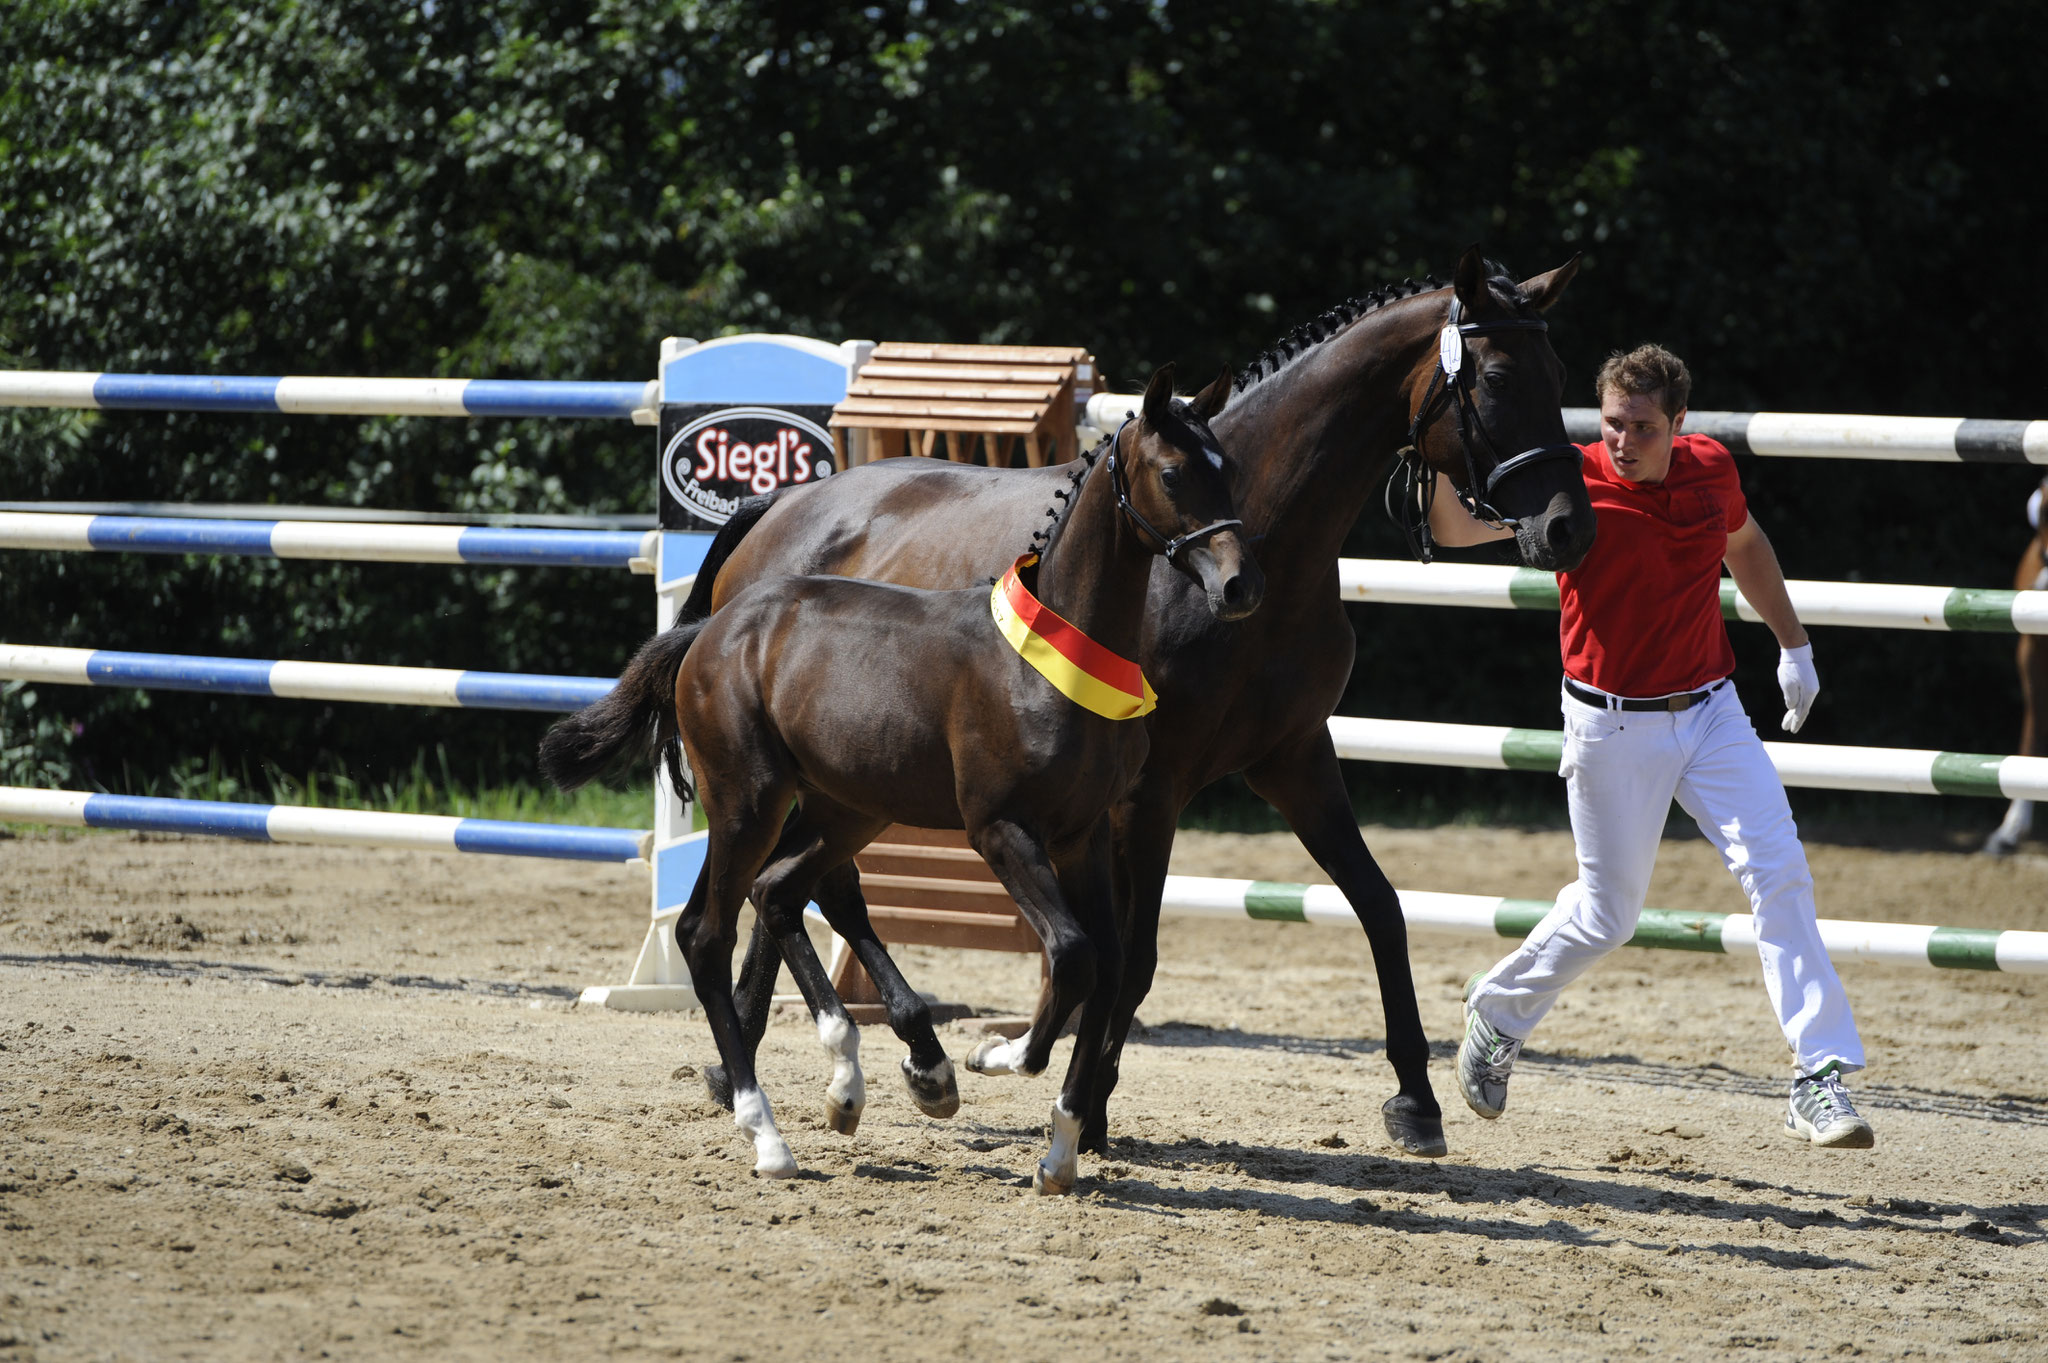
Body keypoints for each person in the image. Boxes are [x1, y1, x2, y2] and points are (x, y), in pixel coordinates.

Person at [1426, 343, 1873, 1148]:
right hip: (1608, 721)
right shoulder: (1568, 479)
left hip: (1710, 710)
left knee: (1779, 869)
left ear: (1679, 425)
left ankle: (1819, 1073)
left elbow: (1747, 546)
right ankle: (1497, 1010)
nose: (1622, 440)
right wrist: (1427, 439)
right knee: (1608, 914)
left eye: (1641, 426)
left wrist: (1794, 646)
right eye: (1611, 423)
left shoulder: (1709, 469)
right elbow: (1452, 526)